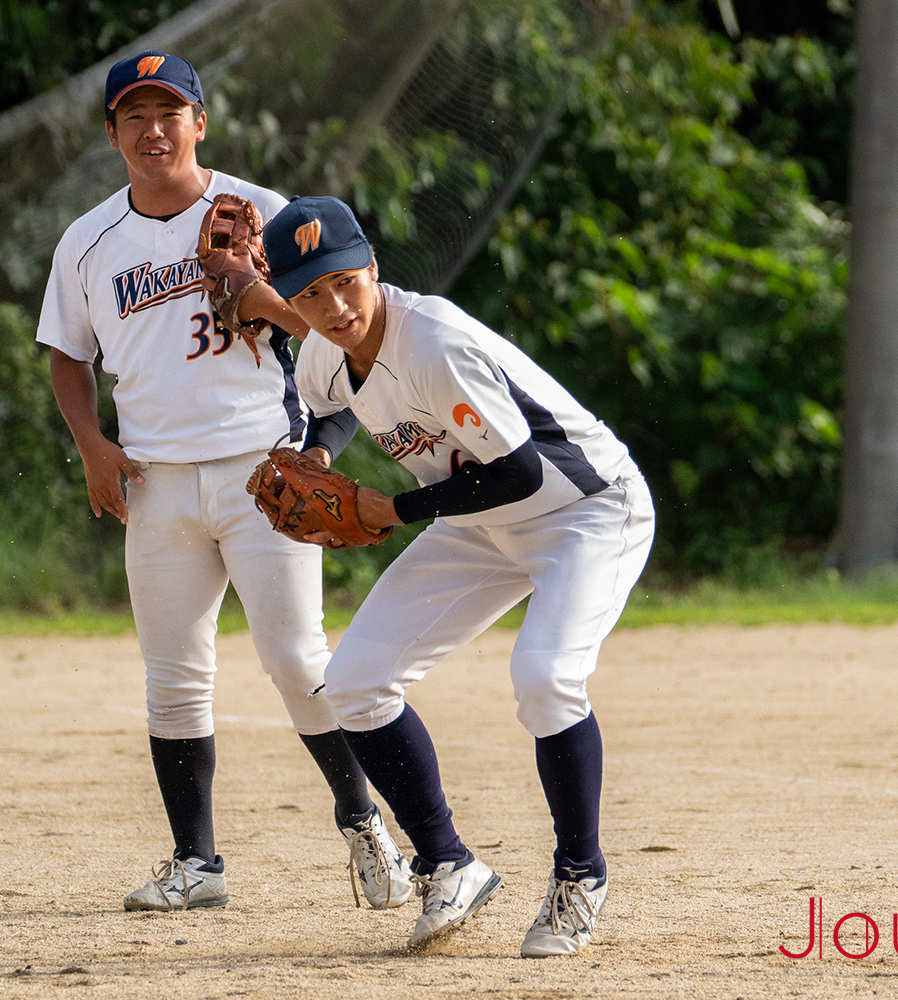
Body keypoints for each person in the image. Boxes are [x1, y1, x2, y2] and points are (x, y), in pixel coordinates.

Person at [35, 52, 411, 912]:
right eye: (134, 114)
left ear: (201, 123)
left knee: (294, 661)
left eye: (171, 112)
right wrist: (91, 442)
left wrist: (261, 296)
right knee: (172, 678)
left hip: (260, 471)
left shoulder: (262, 215)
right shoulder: (88, 240)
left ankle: (365, 826)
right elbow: (65, 352)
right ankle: (196, 865)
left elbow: (340, 334)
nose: (153, 128)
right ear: (112, 134)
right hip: (155, 481)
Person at [236, 195, 655, 955]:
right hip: (478, 523)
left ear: (372, 268)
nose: (333, 306)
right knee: (355, 683)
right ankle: (447, 864)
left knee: (544, 675)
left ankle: (580, 876)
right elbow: (332, 404)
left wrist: (389, 509)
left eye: (344, 283)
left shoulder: (434, 342)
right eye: (310, 295)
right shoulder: (330, 346)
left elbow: (522, 472)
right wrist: (320, 457)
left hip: (586, 510)